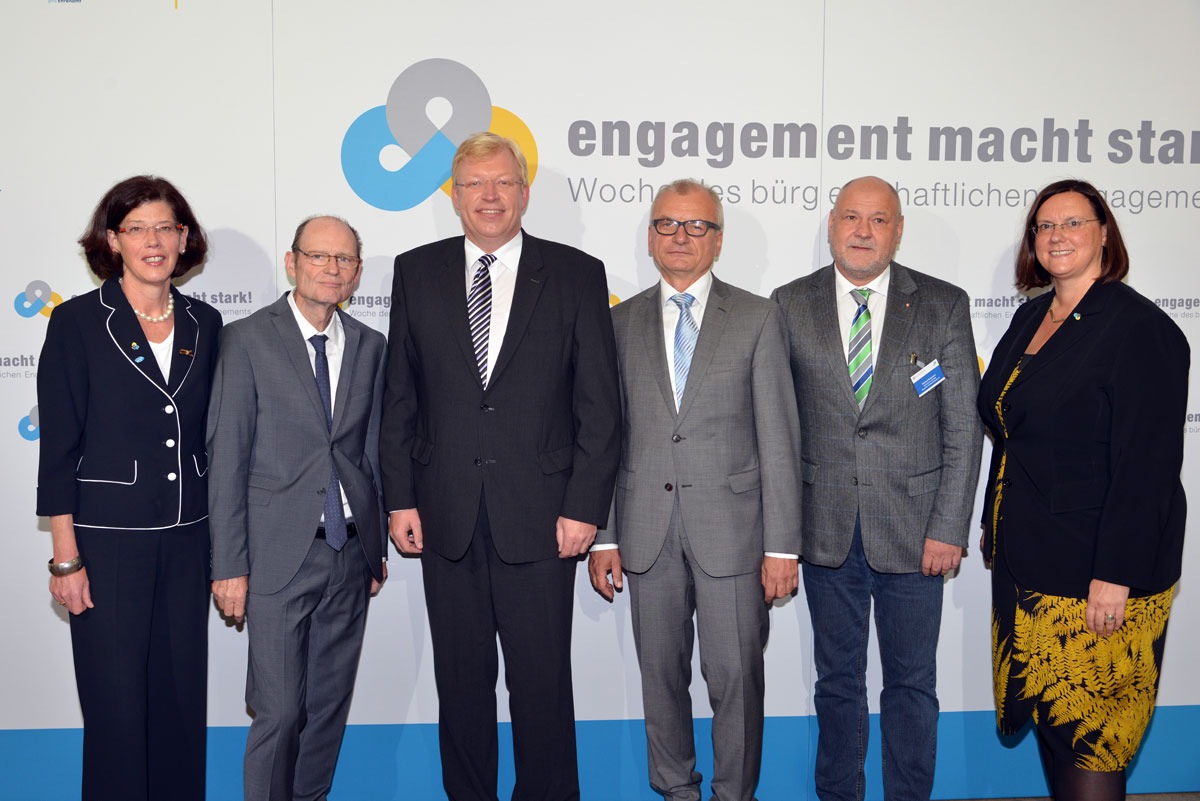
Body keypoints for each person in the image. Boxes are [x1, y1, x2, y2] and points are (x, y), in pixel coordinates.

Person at [381, 132, 621, 801]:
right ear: (454, 196)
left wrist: (584, 507)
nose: (488, 196)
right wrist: (398, 498)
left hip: (543, 519)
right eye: (473, 184)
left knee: (542, 685)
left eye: (501, 182)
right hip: (444, 514)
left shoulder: (576, 274)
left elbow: (599, 408)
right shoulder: (416, 271)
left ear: (523, 191)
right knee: (460, 686)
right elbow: (399, 396)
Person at [588, 180, 802, 801]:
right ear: (651, 236)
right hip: (644, 530)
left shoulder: (759, 317)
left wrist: (782, 547)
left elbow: (779, 438)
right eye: (666, 225)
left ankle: (735, 794)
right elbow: (603, 436)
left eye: (696, 226)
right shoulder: (617, 321)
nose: (680, 237)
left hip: (735, 535)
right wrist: (603, 535)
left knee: (735, 676)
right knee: (659, 677)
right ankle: (675, 791)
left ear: (718, 238)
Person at [771, 176, 982, 801]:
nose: (863, 231)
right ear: (832, 224)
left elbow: (962, 427)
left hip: (918, 537)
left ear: (897, 228)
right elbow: (776, 427)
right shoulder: (787, 303)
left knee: (912, 684)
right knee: (836, 683)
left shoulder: (942, 303)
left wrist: (949, 526)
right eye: (852, 218)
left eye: (879, 220)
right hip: (824, 531)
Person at [978, 179, 1188, 801]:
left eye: (1072, 223)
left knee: (1093, 742)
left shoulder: (1139, 329)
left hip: (1096, 579)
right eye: (1044, 226)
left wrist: (1114, 574)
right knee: (1054, 731)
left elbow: (1147, 466)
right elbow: (1011, 431)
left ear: (1104, 233)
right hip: (1029, 569)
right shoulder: (1029, 318)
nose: (1057, 236)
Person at [36, 175, 221, 801]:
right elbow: (58, 450)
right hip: (106, 550)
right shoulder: (78, 322)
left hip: (189, 544)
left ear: (184, 237)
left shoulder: (207, 321)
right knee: (116, 714)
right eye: (136, 228)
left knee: (179, 707)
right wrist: (67, 558)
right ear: (113, 240)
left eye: (165, 227)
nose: (153, 240)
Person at [207, 215, 388, 801]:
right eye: (318, 257)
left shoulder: (369, 344)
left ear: (357, 273)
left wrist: (375, 547)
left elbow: (372, 452)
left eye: (343, 260)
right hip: (277, 556)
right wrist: (227, 563)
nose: (330, 269)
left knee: (327, 712)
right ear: (292, 262)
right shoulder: (247, 339)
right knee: (279, 711)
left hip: (350, 555)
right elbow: (227, 457)